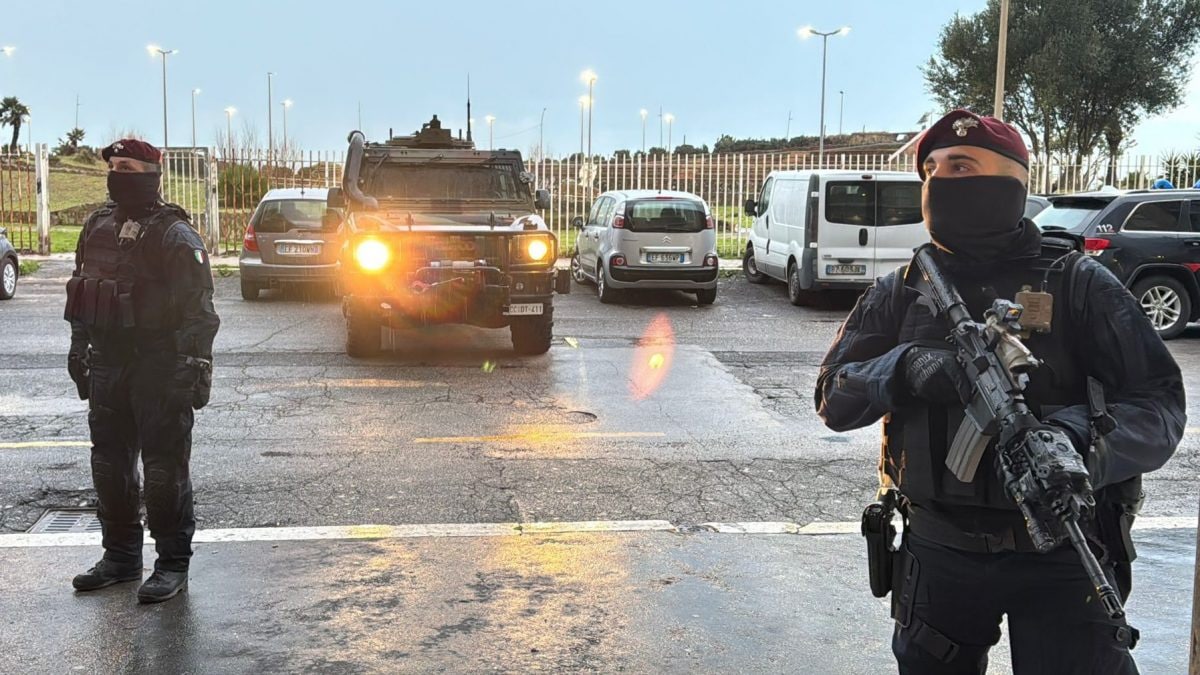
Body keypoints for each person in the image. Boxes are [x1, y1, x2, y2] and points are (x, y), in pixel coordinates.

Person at [815, 110, 1185, 674]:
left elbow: (1160, 405)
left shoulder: (1079, 283)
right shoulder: (902, 291)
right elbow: (832, 398)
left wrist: (1076, 439)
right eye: (931, 171)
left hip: (1062, 549)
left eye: (962, 167)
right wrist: (905, 367)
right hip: (939, 552)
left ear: (1013, 183)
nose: (940, 182)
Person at [64, 139, 220, 603]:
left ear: (153, 173)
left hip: (159, 365)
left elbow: (199, 313)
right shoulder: (96, 226)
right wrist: (78, 348)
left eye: (128, 167)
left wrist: (193, 368)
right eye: (113, 166)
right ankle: (120, 557)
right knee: (109, 466)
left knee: (163, 471)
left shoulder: (175, 235)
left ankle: (172, 563)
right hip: (108, 364)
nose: (117, 174)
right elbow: (81, 293)